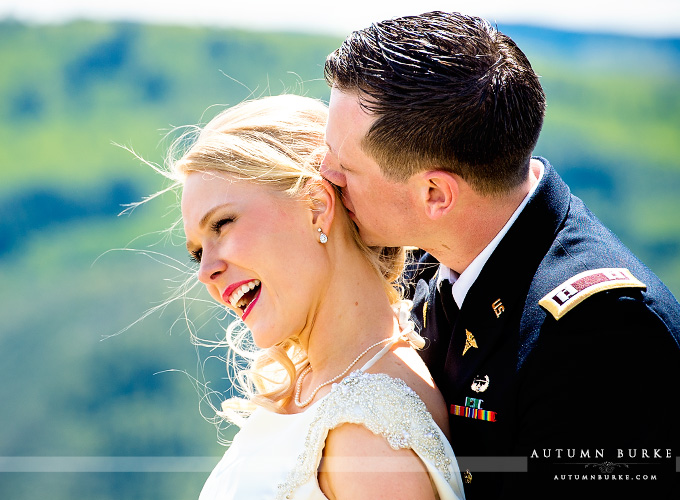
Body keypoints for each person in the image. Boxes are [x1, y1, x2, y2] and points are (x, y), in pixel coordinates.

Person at [321, 11, 680, 499]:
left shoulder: (606, 338)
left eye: (344, 165)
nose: (324, 174)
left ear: (435, 195)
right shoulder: (423, 256)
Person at [161, 94, 465, 499]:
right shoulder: (311, 384)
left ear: (316, 206)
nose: (205, 271)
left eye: (223, 223)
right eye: (198, 252)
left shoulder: (368, 433)